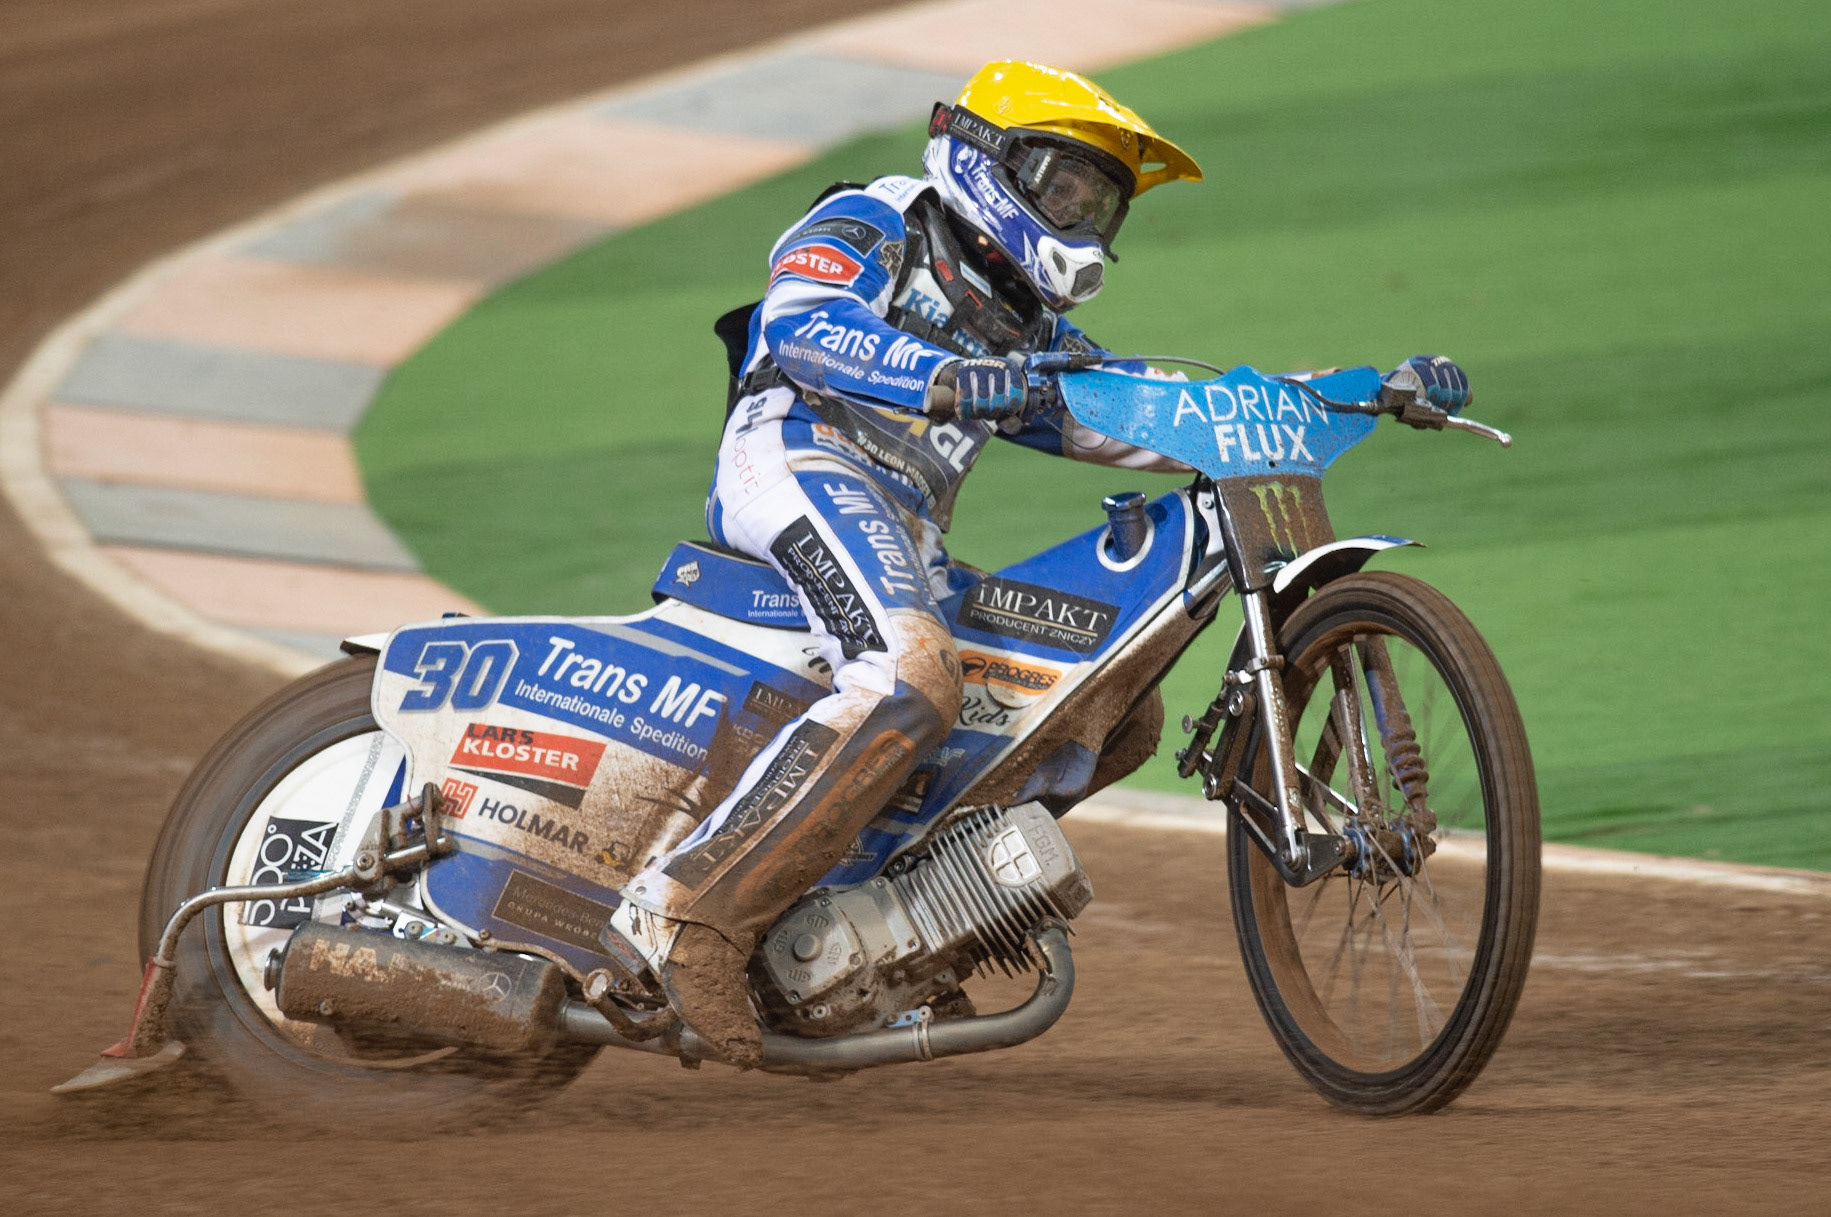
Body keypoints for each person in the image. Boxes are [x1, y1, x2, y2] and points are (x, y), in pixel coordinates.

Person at [603, 61, 1471, 1066]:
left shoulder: (1030, 327)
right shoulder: (870, 219)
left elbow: (1155, 410)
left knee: (1112, 707)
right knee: (910, 674)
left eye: (1100, 203)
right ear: (987, 162)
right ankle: (689, 916)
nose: (1083, 215)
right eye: (1064, 187)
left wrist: (1356, 389)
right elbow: (800, 330)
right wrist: (943, 373)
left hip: (905, 524)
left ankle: (889, 913)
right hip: (795, 459)